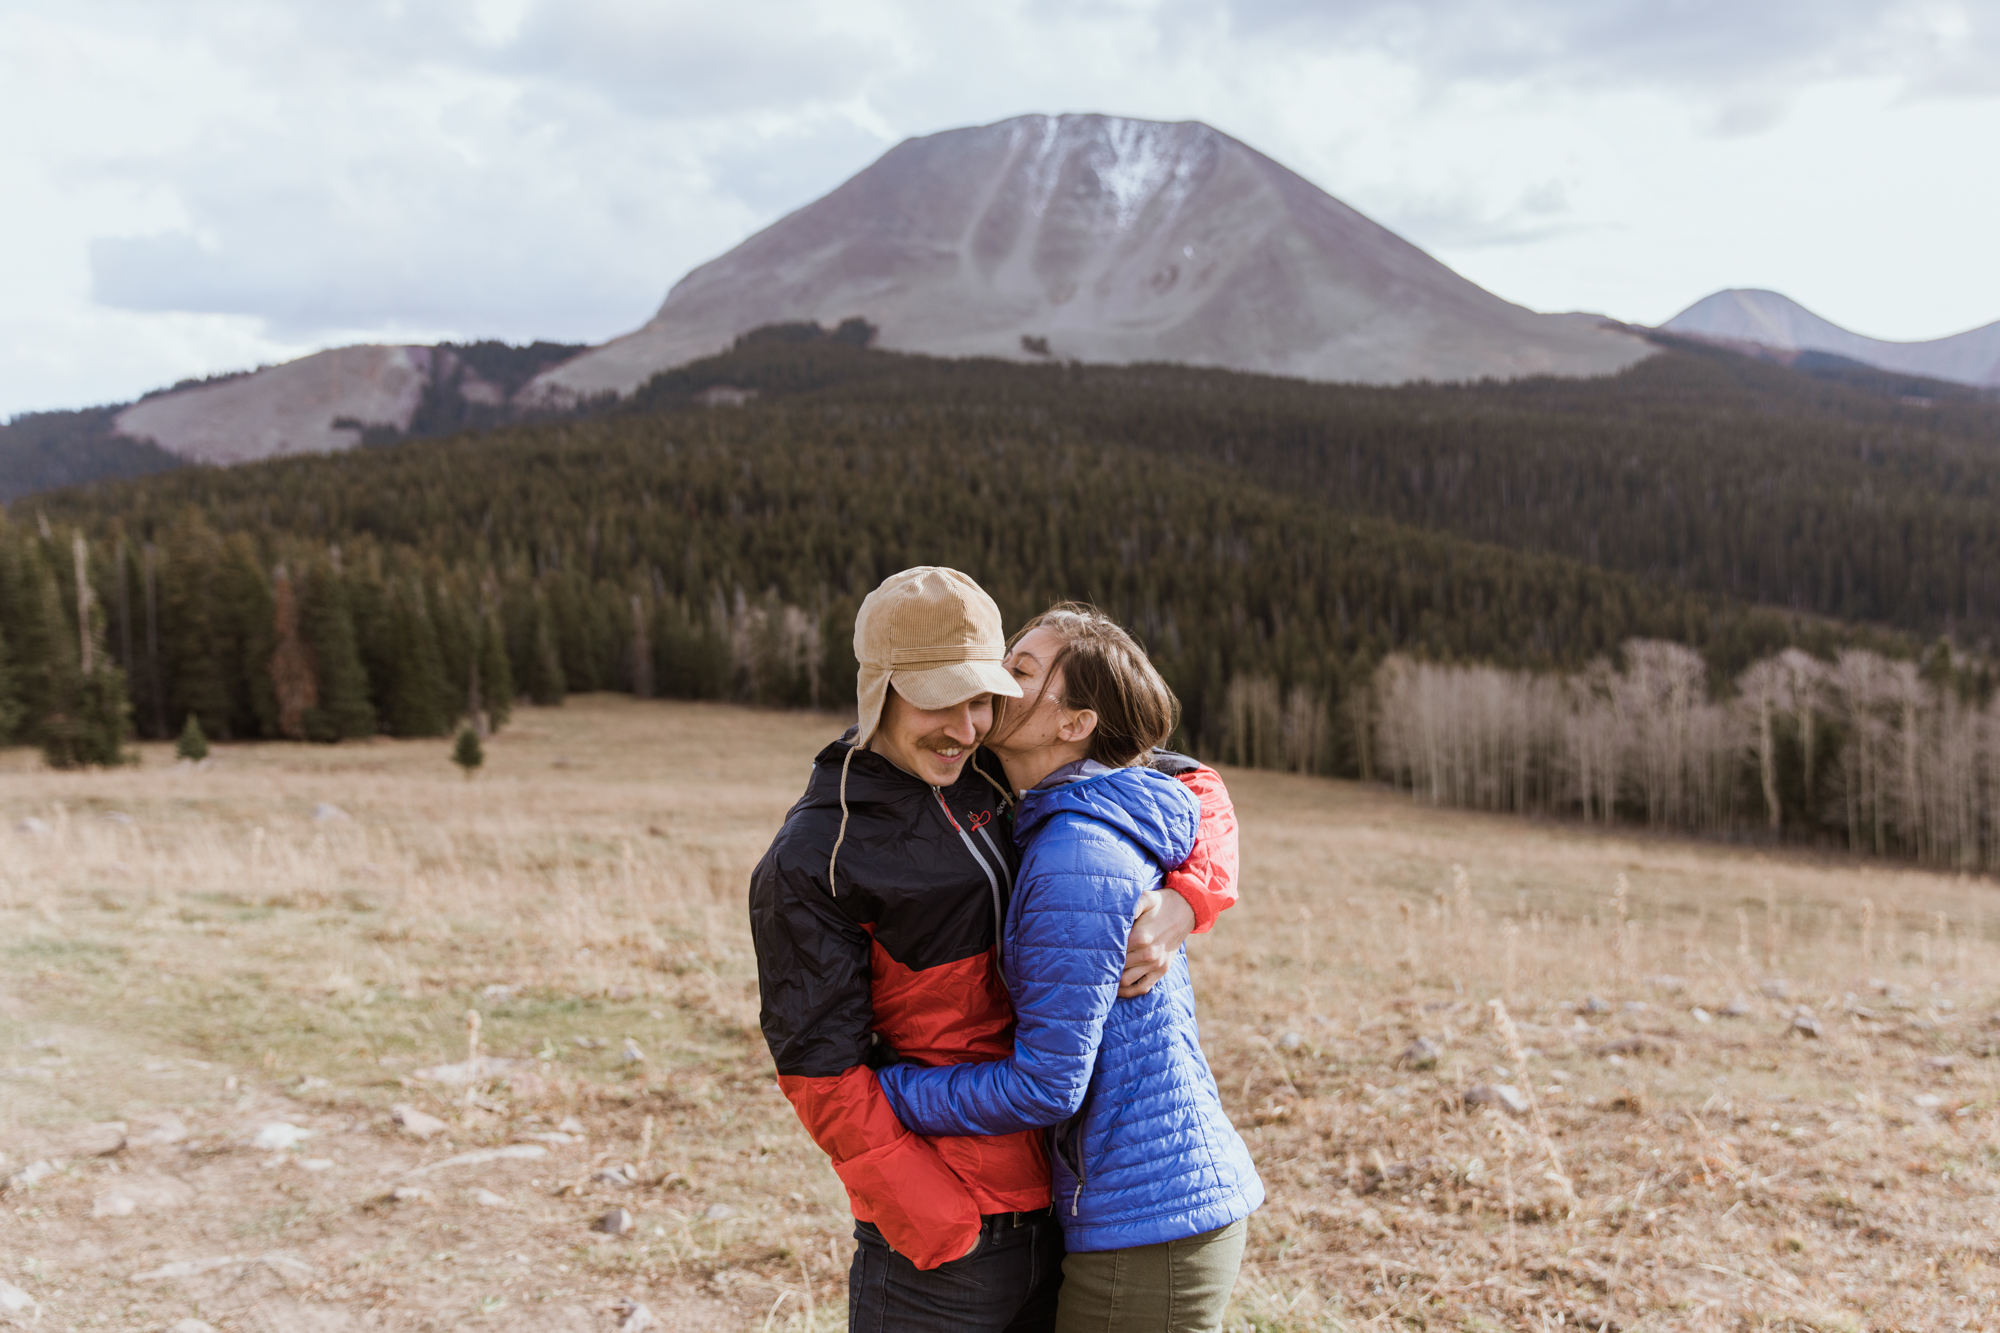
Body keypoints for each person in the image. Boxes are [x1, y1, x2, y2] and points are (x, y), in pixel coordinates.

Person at [749, 569, 1241, 1333]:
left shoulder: (998, 769)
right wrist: (940, 1221)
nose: (966, 724)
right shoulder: (819, 854)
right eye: (939, 699)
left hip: (1060, 1213)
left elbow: (1187, 781)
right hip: (950, 1240)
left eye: (984, 695)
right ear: (878, 687)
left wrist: (1191, 898)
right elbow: (820, 1071)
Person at [878, 603, 1264, 1333]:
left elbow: (1048, 1082)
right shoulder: (1071, 817)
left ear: (1074, 723)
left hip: (1148, 1224)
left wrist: (889, 1089)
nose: (995, 678)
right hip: (1154, 1205)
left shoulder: (1073, 856)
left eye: (1020, 671)